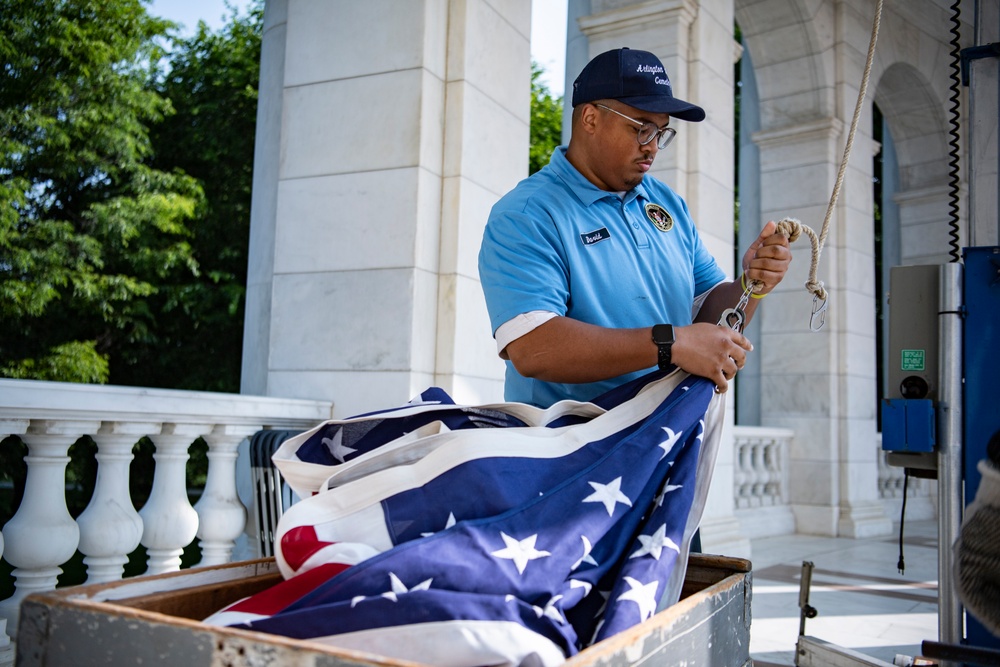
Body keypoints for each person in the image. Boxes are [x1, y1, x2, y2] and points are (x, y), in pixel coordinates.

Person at [478, 47, 793, 408]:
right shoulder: (527, 213)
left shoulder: (667, 204)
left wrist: (752, 283)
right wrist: (669, 344)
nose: (653, 147)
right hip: (566, 450)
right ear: (591, 119)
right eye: (641, 129)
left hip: (662, 440)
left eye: (661, 132)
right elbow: (534, 347)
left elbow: (705, 313)